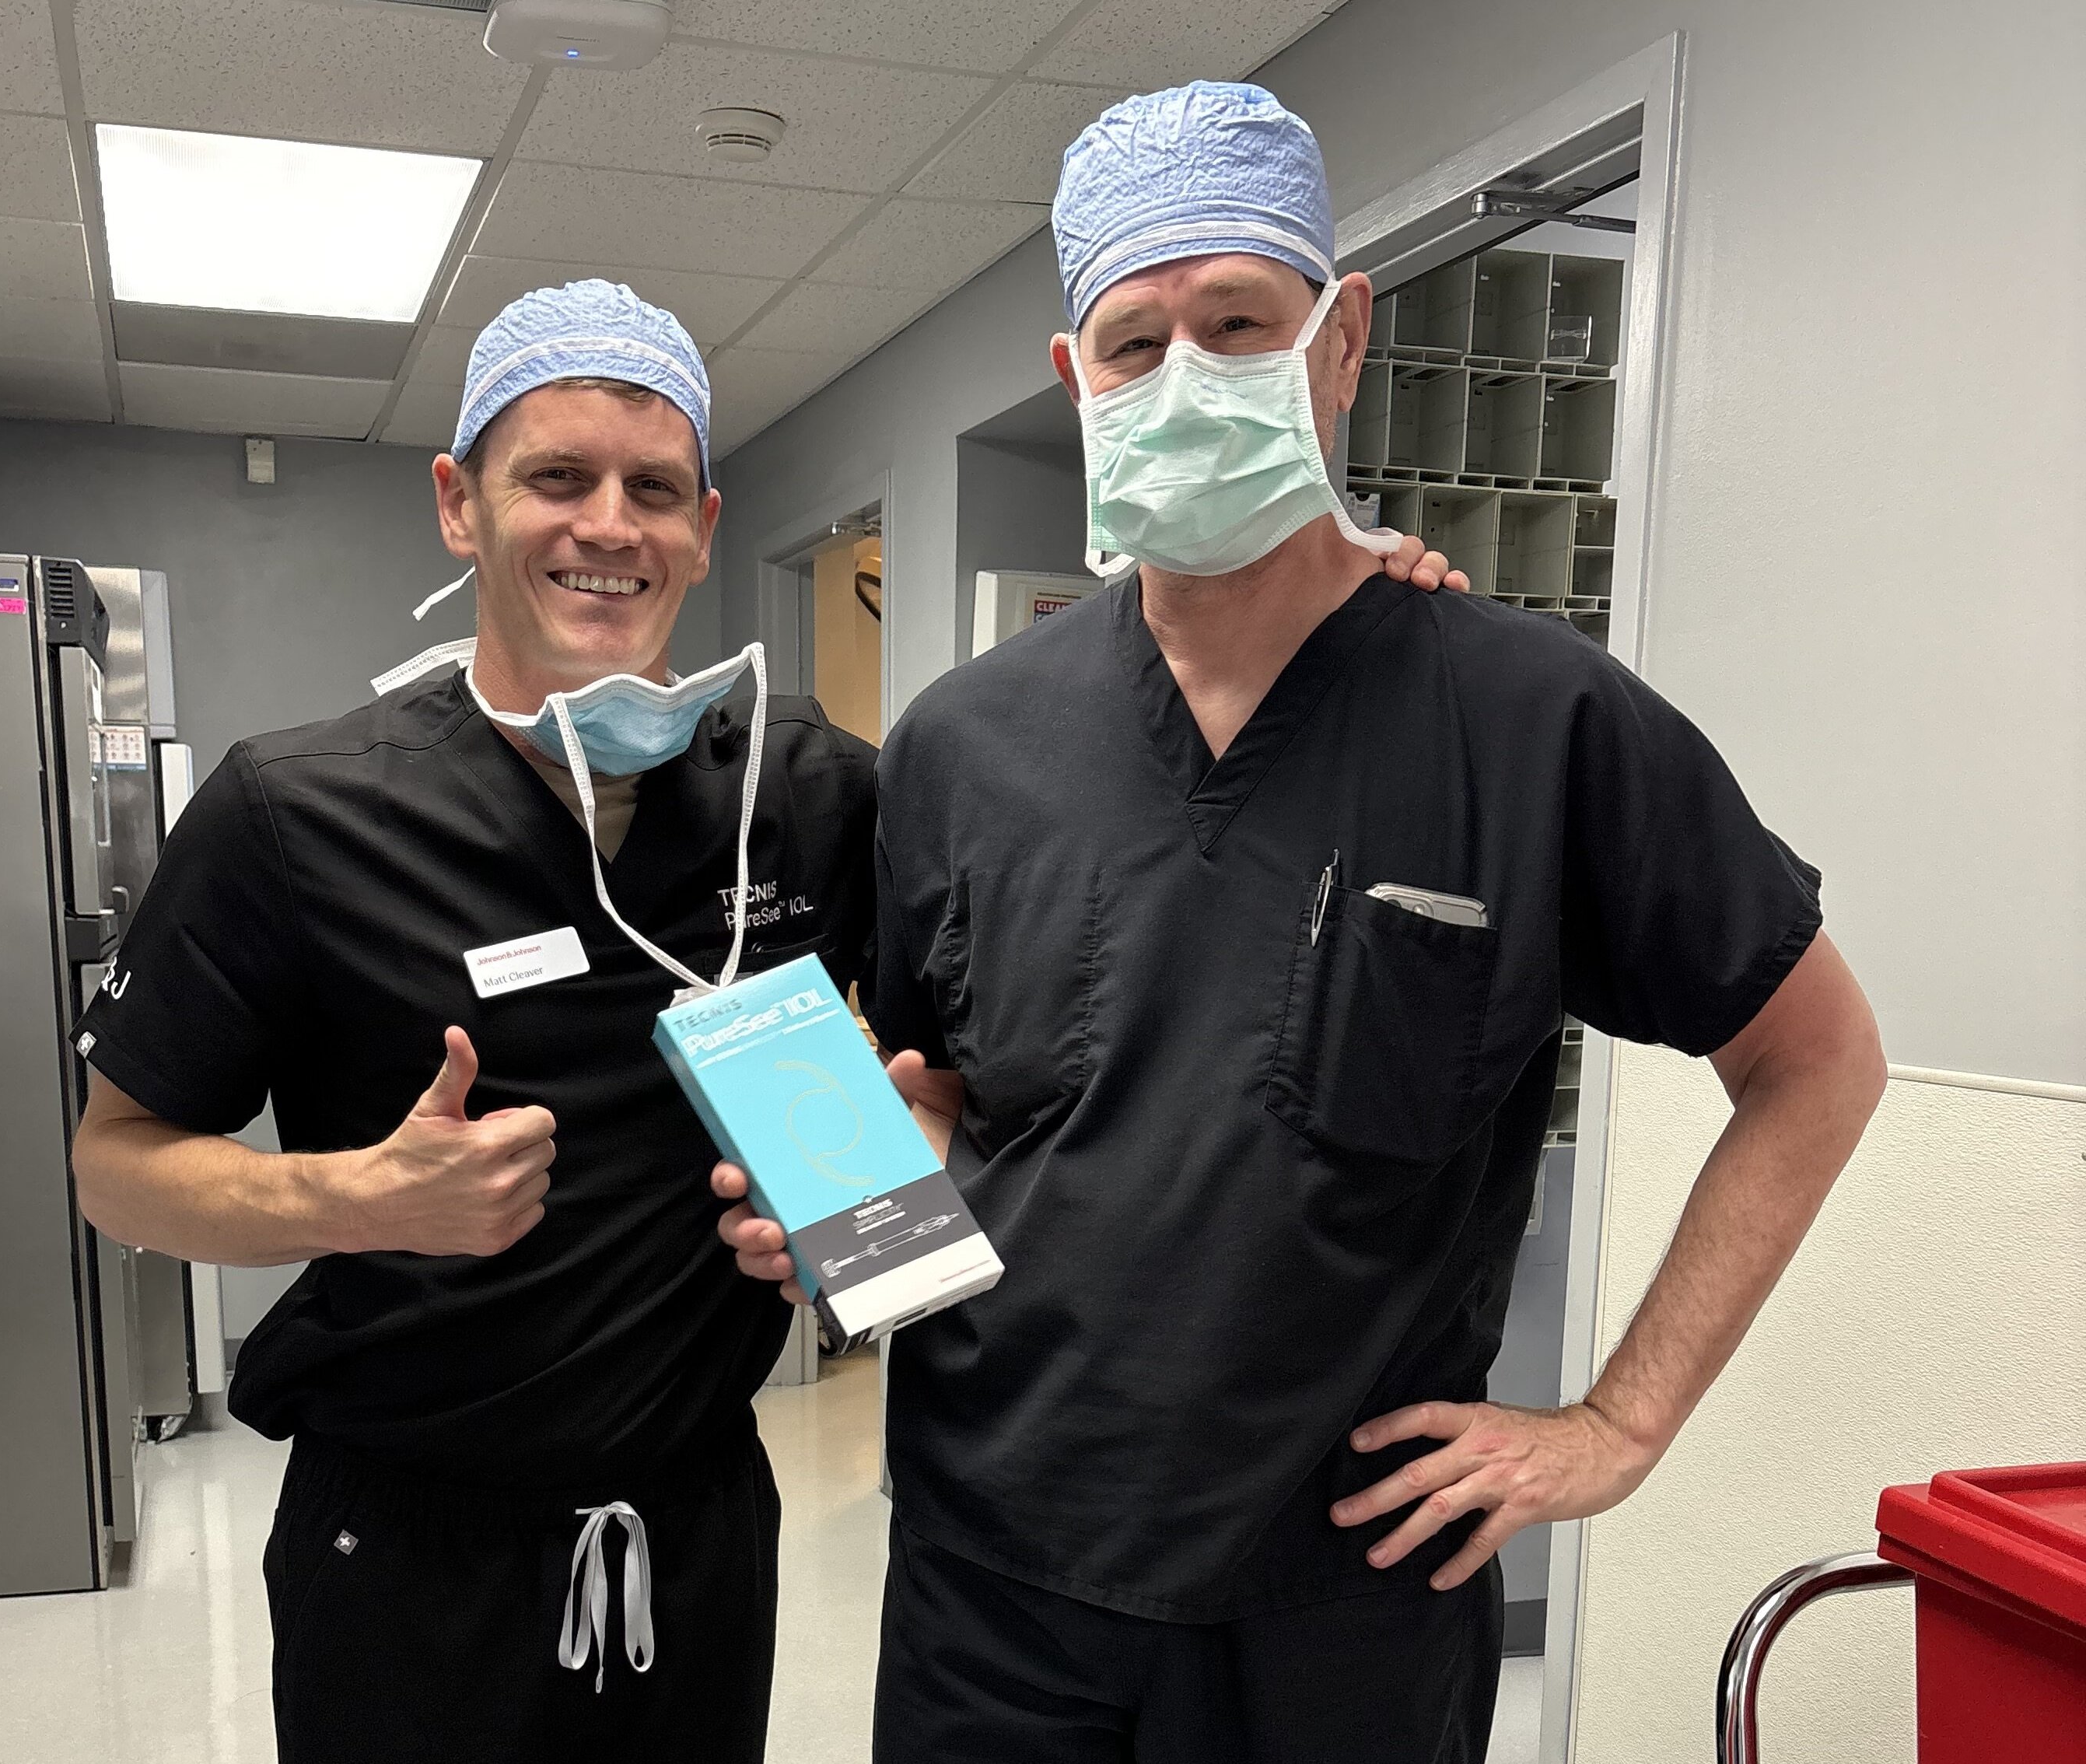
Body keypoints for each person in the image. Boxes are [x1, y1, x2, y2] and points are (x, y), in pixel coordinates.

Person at [717, 82, 1888, 1763]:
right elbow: (950, 1094)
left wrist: (1619, 1426)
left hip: (1347, 1604)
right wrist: (843, 1195)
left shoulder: (1538, 721)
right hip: (996, 1583)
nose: (1185, 376)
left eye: (1239, 324)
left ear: (1340, 342)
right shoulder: (965, 743)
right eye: (1135, 344)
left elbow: (1819, 1063)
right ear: (1076, 379)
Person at [68, 280, 880, 1761]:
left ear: (706, 523)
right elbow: (114, 1163)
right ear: (458, 504)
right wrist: (361, 1197)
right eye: (556, 478)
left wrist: (853, 1192)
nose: (609, 526)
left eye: (654, 489)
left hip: (698, 1533)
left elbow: (931, 1072)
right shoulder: (296, 814)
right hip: (408, 1559)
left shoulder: (807, 793)